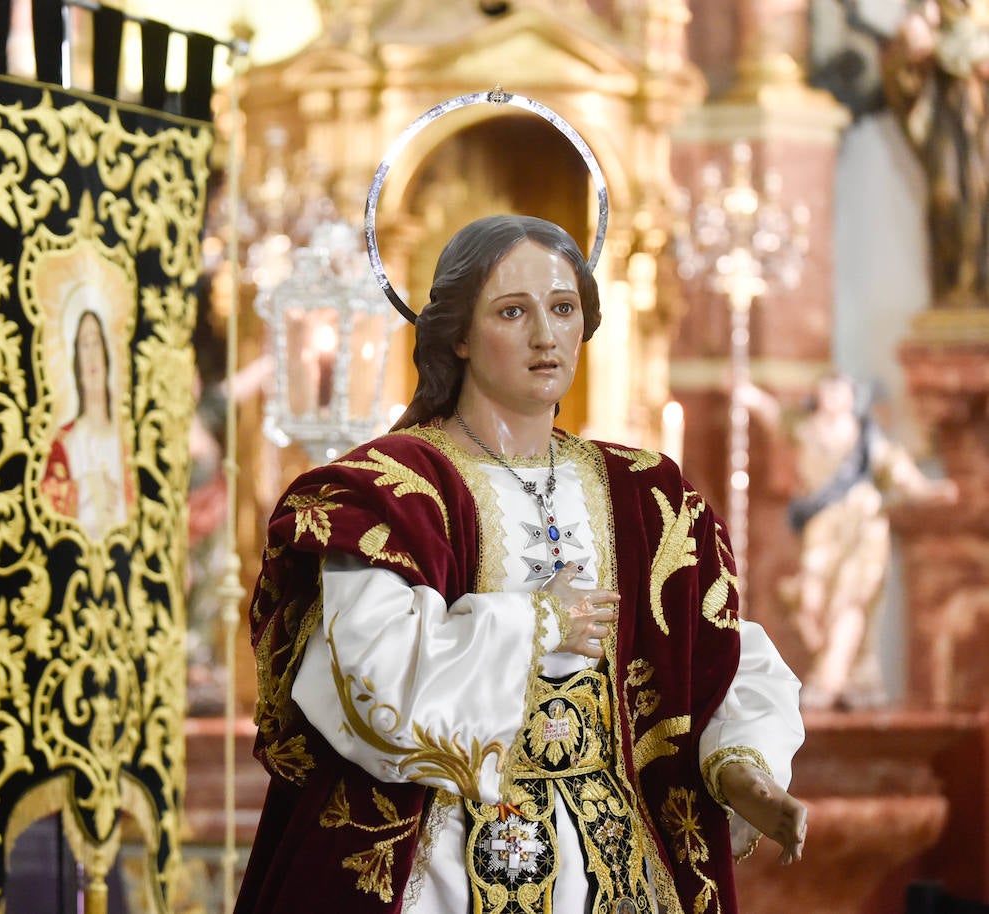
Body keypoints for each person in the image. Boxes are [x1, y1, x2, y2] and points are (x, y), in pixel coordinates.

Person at [237, 215, 807, 914]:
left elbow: (715, 657)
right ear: (459, 333)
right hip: (440, 864)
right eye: (514, 311)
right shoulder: (387, 492)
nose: (546, 335)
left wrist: (744, 766)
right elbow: (371, 677)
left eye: (563, 308)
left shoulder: (646, 492)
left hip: (617, 868)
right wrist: (535, 624)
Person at [743, 374, 957, 709]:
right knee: (810, 602)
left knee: (851, 601)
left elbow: (899, 472)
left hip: (863, 528)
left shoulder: (866, 437)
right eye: (827, 389)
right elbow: (774, 416)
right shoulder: (805, 428)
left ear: (851, 396)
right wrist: (749, 394)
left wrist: (929, 491)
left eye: (840, 391)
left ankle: (830, 678)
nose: (832, 397)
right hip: (821, 531)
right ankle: (856, 673)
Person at [882, 0, 989, 306]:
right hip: (949, 115)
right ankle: (956, 288)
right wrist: (914, 51)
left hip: (983, 119)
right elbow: (903, 63)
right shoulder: (930, 8)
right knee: (946, 195)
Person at [41, 307, 131, 538]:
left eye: (97, 343)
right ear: (76, 361)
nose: (92, 356)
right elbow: (44, 500)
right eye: (84, 345)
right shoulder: (65, 441)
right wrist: (86, 490)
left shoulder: (127, 441)